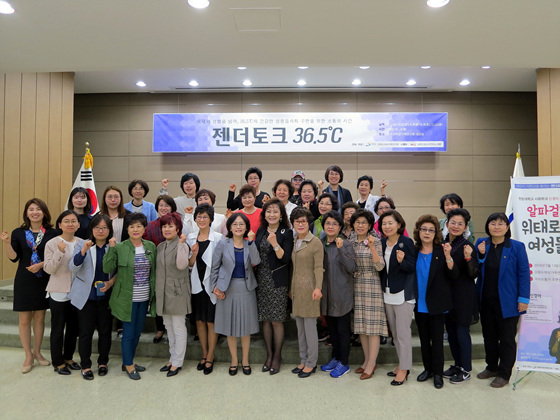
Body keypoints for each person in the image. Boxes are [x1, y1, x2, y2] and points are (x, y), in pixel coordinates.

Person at [474, 212, 530, 388]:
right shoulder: (481, 244)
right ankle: (491, 367)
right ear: (487, 226)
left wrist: (523, 298)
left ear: (507, 227)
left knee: (506, 338)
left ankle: (504, 373)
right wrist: (480, 255)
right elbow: (474, 268)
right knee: (489, 336)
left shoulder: (516, 247)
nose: (496, 227)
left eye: (500, 223)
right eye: (493, 223)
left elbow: (524, 274)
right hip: (486, 300)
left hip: (509, 301)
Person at [1, 198, 57, 373]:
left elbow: (55, 257)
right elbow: (14, 257)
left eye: (38, 209)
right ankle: (27, 355)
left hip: (43, 279)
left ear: (44, 212)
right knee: (24, 319)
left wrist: (41, 264)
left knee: (40, 318)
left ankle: (38, 353)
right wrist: (7, 242)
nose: (35, 212)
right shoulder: (19, 232)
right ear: (26, 213)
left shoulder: (52, 233)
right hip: (24, 280)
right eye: (31, 209)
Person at [103, 213, 157, 380]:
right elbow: (107, 268)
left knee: (137, 332)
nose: (135, 229)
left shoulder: (150, 246)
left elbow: (153, 272)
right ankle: (128, 364)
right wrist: (111, 248)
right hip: (126, 298)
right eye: (132, 226)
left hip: (144, 297)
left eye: (139, 226)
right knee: (128, 333)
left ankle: (128, 361)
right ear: (127, 229)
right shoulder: (120, 247)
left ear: (144, 228)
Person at [211, 213, 261, 376]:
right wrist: (214, 287)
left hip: (246, 288)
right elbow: (215, 266)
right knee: (230, 327)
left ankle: (245, 360)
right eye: (235, 224)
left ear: (246, 227)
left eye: (241, 224)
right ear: (229, 227)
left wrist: (252, 242)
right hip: (227, 288)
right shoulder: (223, 244)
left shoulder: (249, 243)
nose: (238, 227)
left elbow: (256, 261)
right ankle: (234, 361)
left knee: (245, 328)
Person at [68, 213, 116, 380]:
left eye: (104, 228)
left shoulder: (114, 246)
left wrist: (111, 282)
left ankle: (103, 362)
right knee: (86, 332)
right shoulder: (83, 244)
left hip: (107, 297)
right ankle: (86, 365)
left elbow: (119, 271)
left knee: (105, 331)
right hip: (86, 297)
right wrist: (83, 251)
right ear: (92, 229)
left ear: (109, 230)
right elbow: (73, 267)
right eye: (97, 227)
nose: (101, 231)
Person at [413, 214, 453, 389]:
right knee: (423, 340)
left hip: (436, 303)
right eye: (424, 229)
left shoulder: (441, 250)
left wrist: (449, 257)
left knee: (437, 341)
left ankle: (438, 373)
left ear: (436, 232)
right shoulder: (413, 251)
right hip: (418, 303)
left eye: (431, 230)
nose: (427, 233)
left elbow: (453, 274)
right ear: (418, 231)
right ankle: (427, 369)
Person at [254, 199, 294, 375]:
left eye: (275, 211)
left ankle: (277, 356)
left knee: (277, 320)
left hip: (277, 281)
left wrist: (275, 243)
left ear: (281, 214)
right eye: (268, 211)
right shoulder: (261, 230)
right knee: (266, 319)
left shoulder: (286, 232)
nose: (271, 214)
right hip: (261, 280)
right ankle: (269, 355)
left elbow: (285, 259)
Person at [442, 208, 479, 385]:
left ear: (465, 227)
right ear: (447, 223)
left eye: (460, 224)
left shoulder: (467, 246)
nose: (456, 226)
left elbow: (472, 273)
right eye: (453, 222)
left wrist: (467, 259)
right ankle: (457, 364)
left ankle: (465, 369)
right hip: (447, 296)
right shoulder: (443, 242)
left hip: (463, 297)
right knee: (451, 333)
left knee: (462, 332)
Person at [379, 210, 417, 386]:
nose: (387, 226)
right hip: (387, 293)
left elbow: (412, 267)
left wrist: (402, 262)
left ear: (399, 225)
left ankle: (404, 368)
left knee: (403, 334)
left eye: (390, 223)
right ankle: (401, 363)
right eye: (384, 223)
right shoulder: (382, 242)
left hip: (403, 294)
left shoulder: (406, 242)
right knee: (395, 334)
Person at [349, 209, 386, 380]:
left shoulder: (375, 241)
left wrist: (372, 247)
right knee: (361, 327)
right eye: (357, 222)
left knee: (372, 328)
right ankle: (366, 361)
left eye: (364, 222)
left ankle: (371, 364)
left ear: (370, 225)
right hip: (356, 284)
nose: (360, 225)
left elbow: (380, 267)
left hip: (372, 284)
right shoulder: (350, 240)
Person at [319, 211, 357, 378]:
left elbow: (352, 268)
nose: (331, 226)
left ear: (340, 227)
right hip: (326, 294)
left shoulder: (346, 244)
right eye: (328, 223)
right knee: (332, 330)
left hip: (342, 294)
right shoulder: (320, 243)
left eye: (334, 224)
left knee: (342, 330)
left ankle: (344, 362)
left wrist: (341, 249)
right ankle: (335, 357)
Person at [43, 210, 81, 376]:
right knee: (58, 328)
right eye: (66, 221)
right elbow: (49, 269)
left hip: (77, 292)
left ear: (78, 224)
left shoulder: (82, 242)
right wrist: (59, 252)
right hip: (58, 292)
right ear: (60, 225)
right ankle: (58, 362)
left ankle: (69, 357)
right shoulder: (52, 243)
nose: (70, 224)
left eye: (73, 221)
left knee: (73, 328)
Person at [187, 204, 224, 375]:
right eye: (199, 217)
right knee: (200, 321)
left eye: (205, 217)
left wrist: (220, 285)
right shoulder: (190, 237)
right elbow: (189, 264)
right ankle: (203, 353)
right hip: (196, 284)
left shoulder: (218, 238)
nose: (201, 220)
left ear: (211, 219)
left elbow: (223, 263)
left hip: (212, 285)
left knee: (211, 321)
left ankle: (210, 356)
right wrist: (193, 253)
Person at [289, 207, 324, 378]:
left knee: (310, 329)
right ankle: (303, 360)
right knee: (300, 329)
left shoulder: (315, 242)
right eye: (297, 221)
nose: (300, 224)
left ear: (308, 222)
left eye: (303, 221)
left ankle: (311, 363)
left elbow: (319, 268)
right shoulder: (294, 240)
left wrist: (318, 287)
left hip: (311, 290)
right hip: (297, 291)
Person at [156, 212, 191, 377]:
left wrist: (182, 245)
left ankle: (178, 361)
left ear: (178, 228)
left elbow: (182, 265)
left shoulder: (182, 244)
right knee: (168, 327)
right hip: (163, 292)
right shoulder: (160, 246)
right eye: (164, 226)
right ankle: (172, 358)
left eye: (170, 226)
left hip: (177, 292)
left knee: (178, 328)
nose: (167, 229)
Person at [142, 194, 177, 343]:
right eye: (161, 205)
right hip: (156, 268)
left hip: (174, 268)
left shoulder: (177, 224)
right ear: (157, 207)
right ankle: (160, 329)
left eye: (167, 205)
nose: (164, 208)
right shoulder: (150, 226)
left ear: (172, 208)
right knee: (157, 297)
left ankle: (172, 331)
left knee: (172, 298)